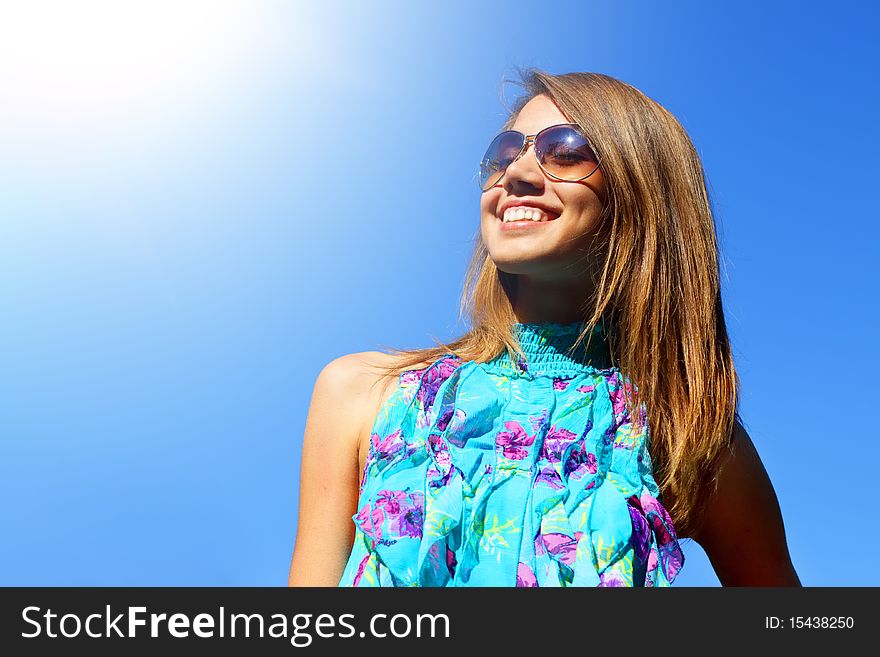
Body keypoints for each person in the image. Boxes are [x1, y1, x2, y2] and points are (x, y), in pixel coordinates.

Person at [287, 69, 801, 587]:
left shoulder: (687, 431)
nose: (516, 173)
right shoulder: (360, 392)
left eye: (567, 150)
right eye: (505, 152)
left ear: (641, 192)